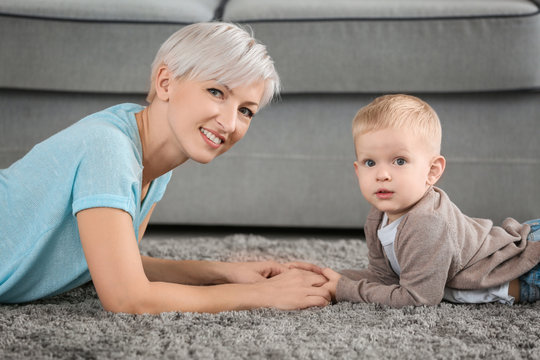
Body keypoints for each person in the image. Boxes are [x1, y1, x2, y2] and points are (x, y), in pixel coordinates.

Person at [0, 22, 331, 313]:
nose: (230, 123)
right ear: (165, 82)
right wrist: (259, 294)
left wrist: (223, 273)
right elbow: (127, 297)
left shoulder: (155, 156)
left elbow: (110, 264)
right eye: (217, 92)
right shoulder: (109, 148)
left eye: (246, 111)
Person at [321, 94, 540, 307]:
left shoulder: (427, 223)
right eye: (370, 163)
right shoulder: (377, 217)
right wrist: (324, 277)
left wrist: (344, 290)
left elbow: (419, 298)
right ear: (357, 171)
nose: (382, 174)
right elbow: (385, 277)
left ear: (432, 171)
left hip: (527, 266)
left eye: (399, 161)